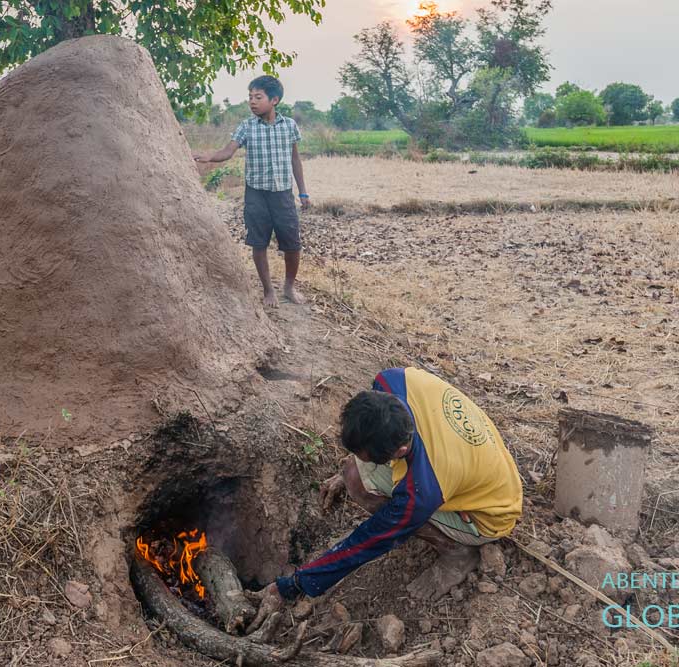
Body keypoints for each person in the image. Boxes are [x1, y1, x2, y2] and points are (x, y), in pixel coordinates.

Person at [251, 366, 523, 624]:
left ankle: (457, 553)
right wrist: (348, 470)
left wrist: (294, 585)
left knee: (363, 487)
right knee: (353, 474)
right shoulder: (392, 381)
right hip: (479, 467)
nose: (361, 460)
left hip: (489, 514)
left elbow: (368, 542)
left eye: (369, 458)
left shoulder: (423, 487)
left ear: (400, 451)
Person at [194, 75, 310, 308]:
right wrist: (209, 157)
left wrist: (303, 192)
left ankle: (289, 286)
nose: (252, 102)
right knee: (258, 243)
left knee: (292, 243)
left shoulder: (288, 126)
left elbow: (295, 159)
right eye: (250, 97)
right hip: (256, 195)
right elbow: (228, 151)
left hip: (283, 194)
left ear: (274, 100)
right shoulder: (247, 126)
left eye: (258, 97)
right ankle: (268, 290)